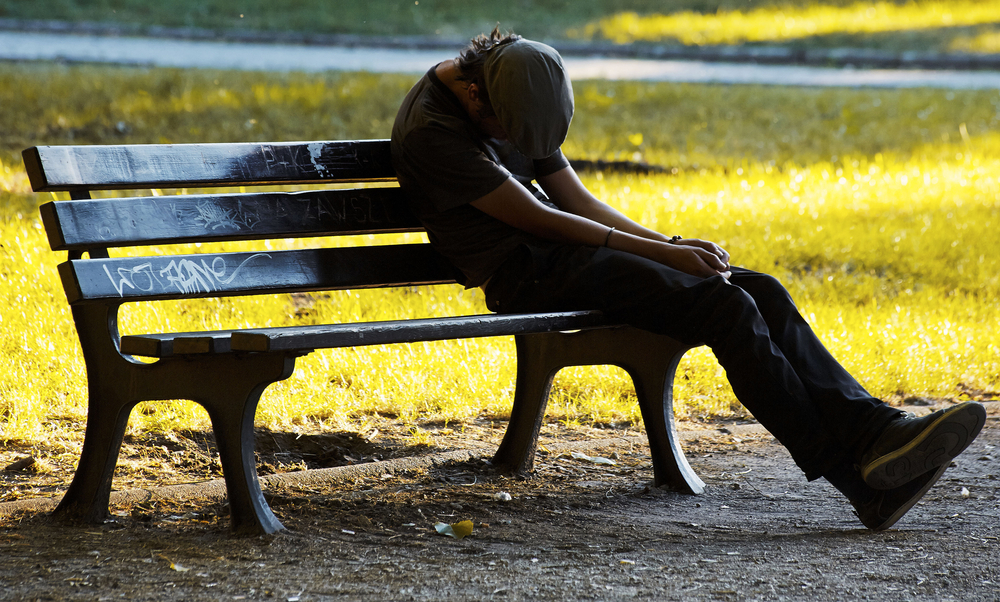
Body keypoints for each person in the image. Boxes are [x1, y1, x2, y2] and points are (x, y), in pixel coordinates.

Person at [389, 28, 986, 530]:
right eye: (507, 138)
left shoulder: (516, 83)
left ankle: (879, 432)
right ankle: (855, 478)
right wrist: (666, 258)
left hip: (569, 255)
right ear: (474, 97)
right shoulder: (432, 131)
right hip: (526, 272)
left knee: (760, 290)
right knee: (723, 309)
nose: (520, 147)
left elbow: (573, 196)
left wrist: (668, 245)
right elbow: (544, 218)